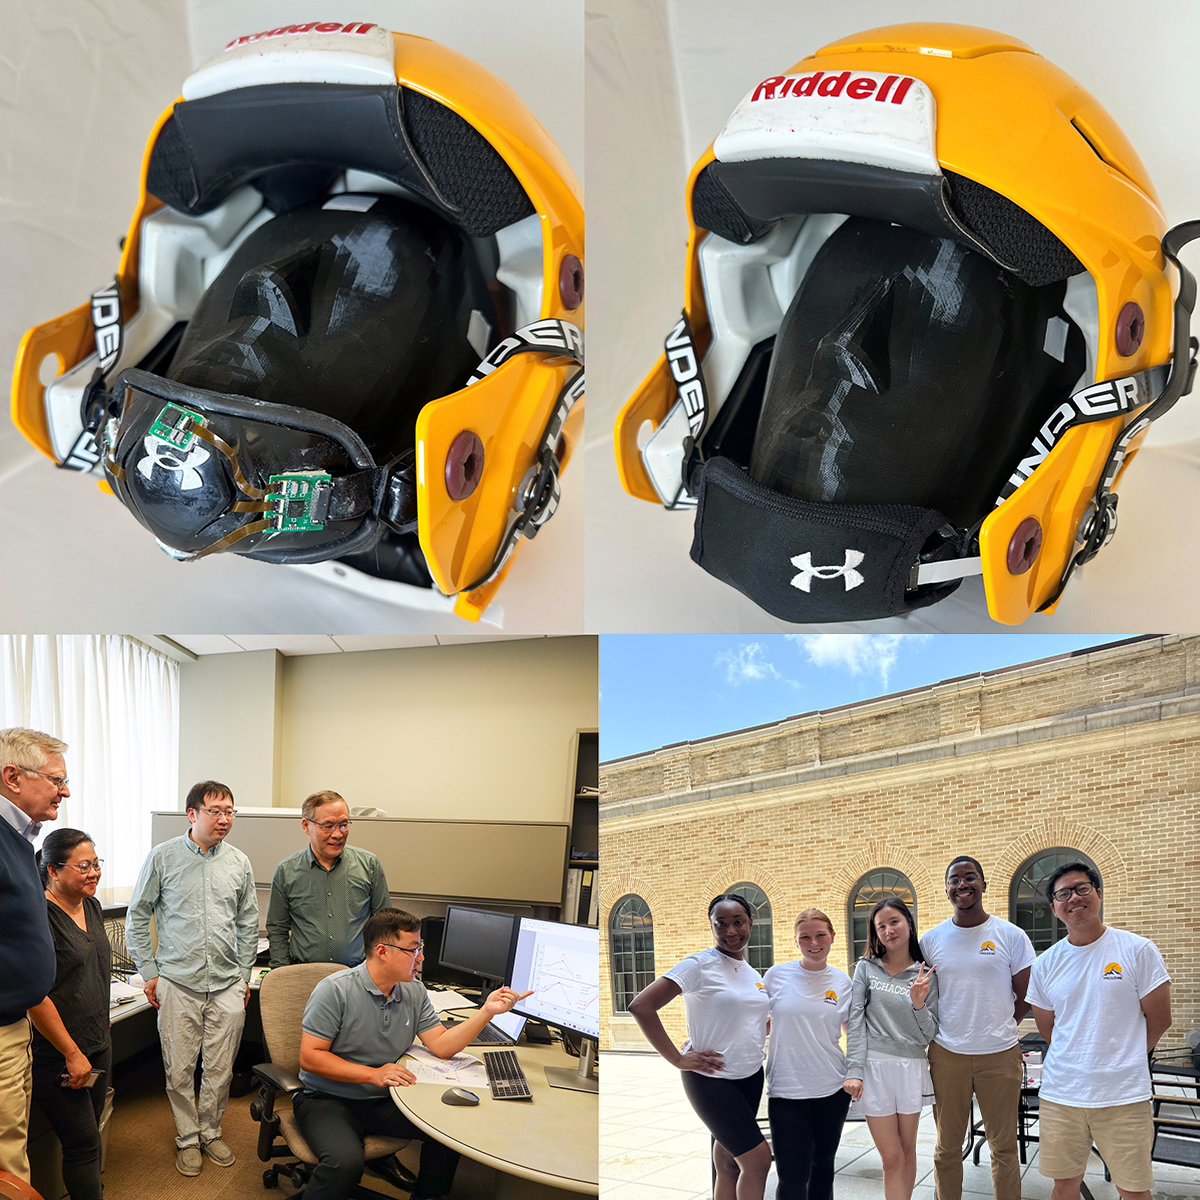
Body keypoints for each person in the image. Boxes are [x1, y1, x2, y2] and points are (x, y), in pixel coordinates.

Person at [295, 907, 531, 1200]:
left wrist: (487, 1011)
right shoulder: (334, 991)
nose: (421, 957)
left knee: (449, 1133)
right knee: (345, 1164)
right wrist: (373, 1073)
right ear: (382, 951)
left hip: (385, 1099)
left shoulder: (414, 991)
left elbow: (442, 1046)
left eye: (421, 948)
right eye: (413, 949)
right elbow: (311, 1056)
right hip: (328, 1099)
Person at [126, 780, 258, 1176]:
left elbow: (248, 921)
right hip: (177, 982)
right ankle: (187, 1137)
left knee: (220, 1067)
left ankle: (210, 1131)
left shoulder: (239, 862)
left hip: (226, 984)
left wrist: (243, 976)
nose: (224, 819)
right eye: (215, 811)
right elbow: (137, 915)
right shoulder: (162, 857)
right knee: (179, 1067)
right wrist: (149, 972)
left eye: (230, 811)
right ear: (192, 813)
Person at [1026, 863, 1171, 1200]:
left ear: (1099, 893)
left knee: (1134, 1190)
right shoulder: (1046, 963)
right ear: (1054, 908)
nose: (1074, 898)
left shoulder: (1137, 950)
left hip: (1122, 1095)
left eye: (1082, 888)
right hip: (1062, 1095)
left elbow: (1160, 1019)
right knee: (1064, 1186)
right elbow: (1050, 1030)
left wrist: (1125, 1055)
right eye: (1063, 894)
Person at [628, 893, 772, 1200]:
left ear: (750, 922)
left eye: (738, 922)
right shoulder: (699, 965)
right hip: (712, 1080)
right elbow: (642, 1006)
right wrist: (677, 1059)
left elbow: (750, 1021)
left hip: (749, 1076)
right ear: (712, 926)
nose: (731, 931)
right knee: (758, 1160)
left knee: (729, 1163)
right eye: (721, 924)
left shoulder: (751, 973)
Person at [919, 856, 1035, 1200]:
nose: (962, 885)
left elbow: (1026, 993)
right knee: (946, 1148)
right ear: (946, 890)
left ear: (984, 884)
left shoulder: (1010, 935)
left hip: (999, 1056)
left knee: (1004, 1148)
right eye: (954, 880)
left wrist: (1001, 1024)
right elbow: (922, 996)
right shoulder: (931, 940)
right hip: (947, 1055)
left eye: (970, 877)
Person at [0, 727, 68, 1181]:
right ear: (13, 777)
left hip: (16, 1019)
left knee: (13, 1144)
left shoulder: (21, 839)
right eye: (55, 779)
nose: (65, 791)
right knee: (7, 1161)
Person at [28, 829, 111, 1200]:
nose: (93, 872)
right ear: (53, 871)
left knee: (92, 1128)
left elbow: (93, 968)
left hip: (97, 1041)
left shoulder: (90, 905)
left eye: (96, 864)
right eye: (84, 866)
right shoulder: (39, 917)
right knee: (83, 1144)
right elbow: (36, 995)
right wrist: (71, 1052)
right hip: (60, 1053)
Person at [844, 897, 939, 1200]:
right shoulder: (866, 969)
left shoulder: (925, 973)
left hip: (910, 1067)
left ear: (909, 923)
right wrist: (855, 1070)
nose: (888, 930)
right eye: (880, 926)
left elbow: (928, 1035)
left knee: (908, 1151)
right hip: (873, 1068)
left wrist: (918, 1003)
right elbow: (855, 1021)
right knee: (891, 1157)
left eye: (894, 922)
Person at [764, 908, 853, 1200]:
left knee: (823, 1166)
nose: (814, 942)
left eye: (820, 935)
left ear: (832, 937)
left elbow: (854, 1032)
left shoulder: (842, 983)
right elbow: (752, 1018)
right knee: (792, 1175)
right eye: (805, 937)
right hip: (787, 1090)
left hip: (831, 1087)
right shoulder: (776, 976)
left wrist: (858, 1072)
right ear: (795, 940)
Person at [267, 790, 390, 969]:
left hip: (357, 976)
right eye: (328, 825)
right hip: (305, 975)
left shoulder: (369, 865)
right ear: (305, 826)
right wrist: (280, 976)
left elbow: (384, 925)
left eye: (343, 824)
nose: (338, 834)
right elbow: (277, 930)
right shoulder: (286, 872)